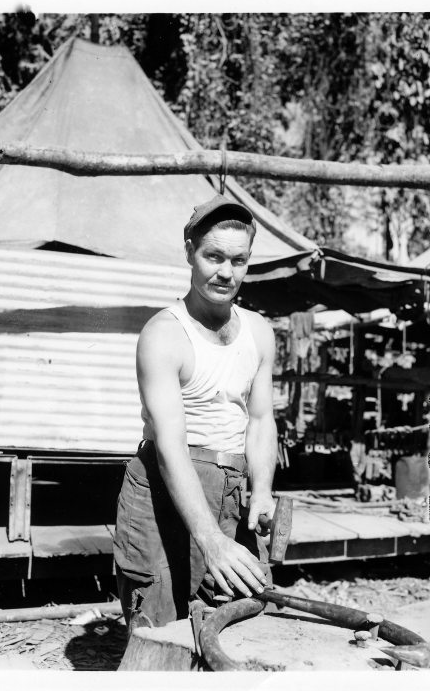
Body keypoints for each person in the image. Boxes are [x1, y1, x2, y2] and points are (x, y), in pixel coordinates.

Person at [113, 194, 278, 645]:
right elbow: (169, 445)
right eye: (214, 256)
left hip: (229, 490)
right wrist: (212, 540)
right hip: (165, 491)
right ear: (189, 252)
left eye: (239, 260)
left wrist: (261, 491)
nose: (226, 272)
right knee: (161, 636)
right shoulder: (165, 334)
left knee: (227, 628)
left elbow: (261, 420)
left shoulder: (259, 331)